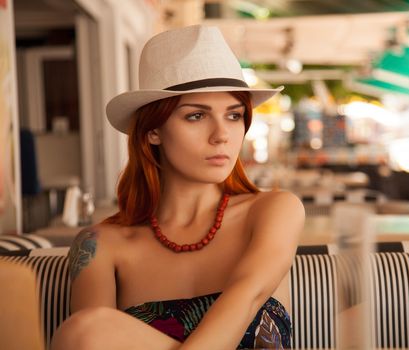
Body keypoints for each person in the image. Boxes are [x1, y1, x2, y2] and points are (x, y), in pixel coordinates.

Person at [51, 25, 304, 350]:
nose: (221, 135)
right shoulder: (101, 245)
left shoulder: (274, 210)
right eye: (197, 116)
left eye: (234, 115)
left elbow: (249, 294)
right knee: (86, 331)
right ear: (152, 131)